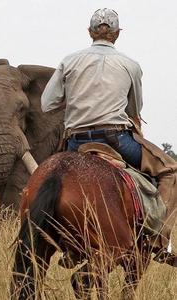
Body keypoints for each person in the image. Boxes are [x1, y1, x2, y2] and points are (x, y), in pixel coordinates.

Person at [41, 8, 177, 266]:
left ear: (90, 32)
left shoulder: (68, 61)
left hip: (75, 141)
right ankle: (158, 240)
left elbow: (47, 104)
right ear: (117, 34)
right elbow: (134, 110)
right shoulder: (131, 65)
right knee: (171, 171)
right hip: (117, 140)